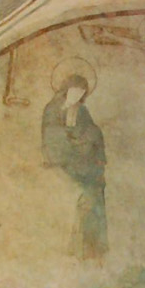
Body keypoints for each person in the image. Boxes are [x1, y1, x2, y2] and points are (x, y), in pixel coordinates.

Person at [39, 70, 107, 258]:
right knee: (84, 195)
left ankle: (92, 246)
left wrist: (87, 140)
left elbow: (93, 132)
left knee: (96, 189)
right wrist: (76, 140)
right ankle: (77, 247)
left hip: (82, 162)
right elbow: (52, 137)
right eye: (75, 90)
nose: (77, 95)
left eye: (81, 92)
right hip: (62, 160)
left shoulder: (82, 111)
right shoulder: (53, 109)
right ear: (66, 89)